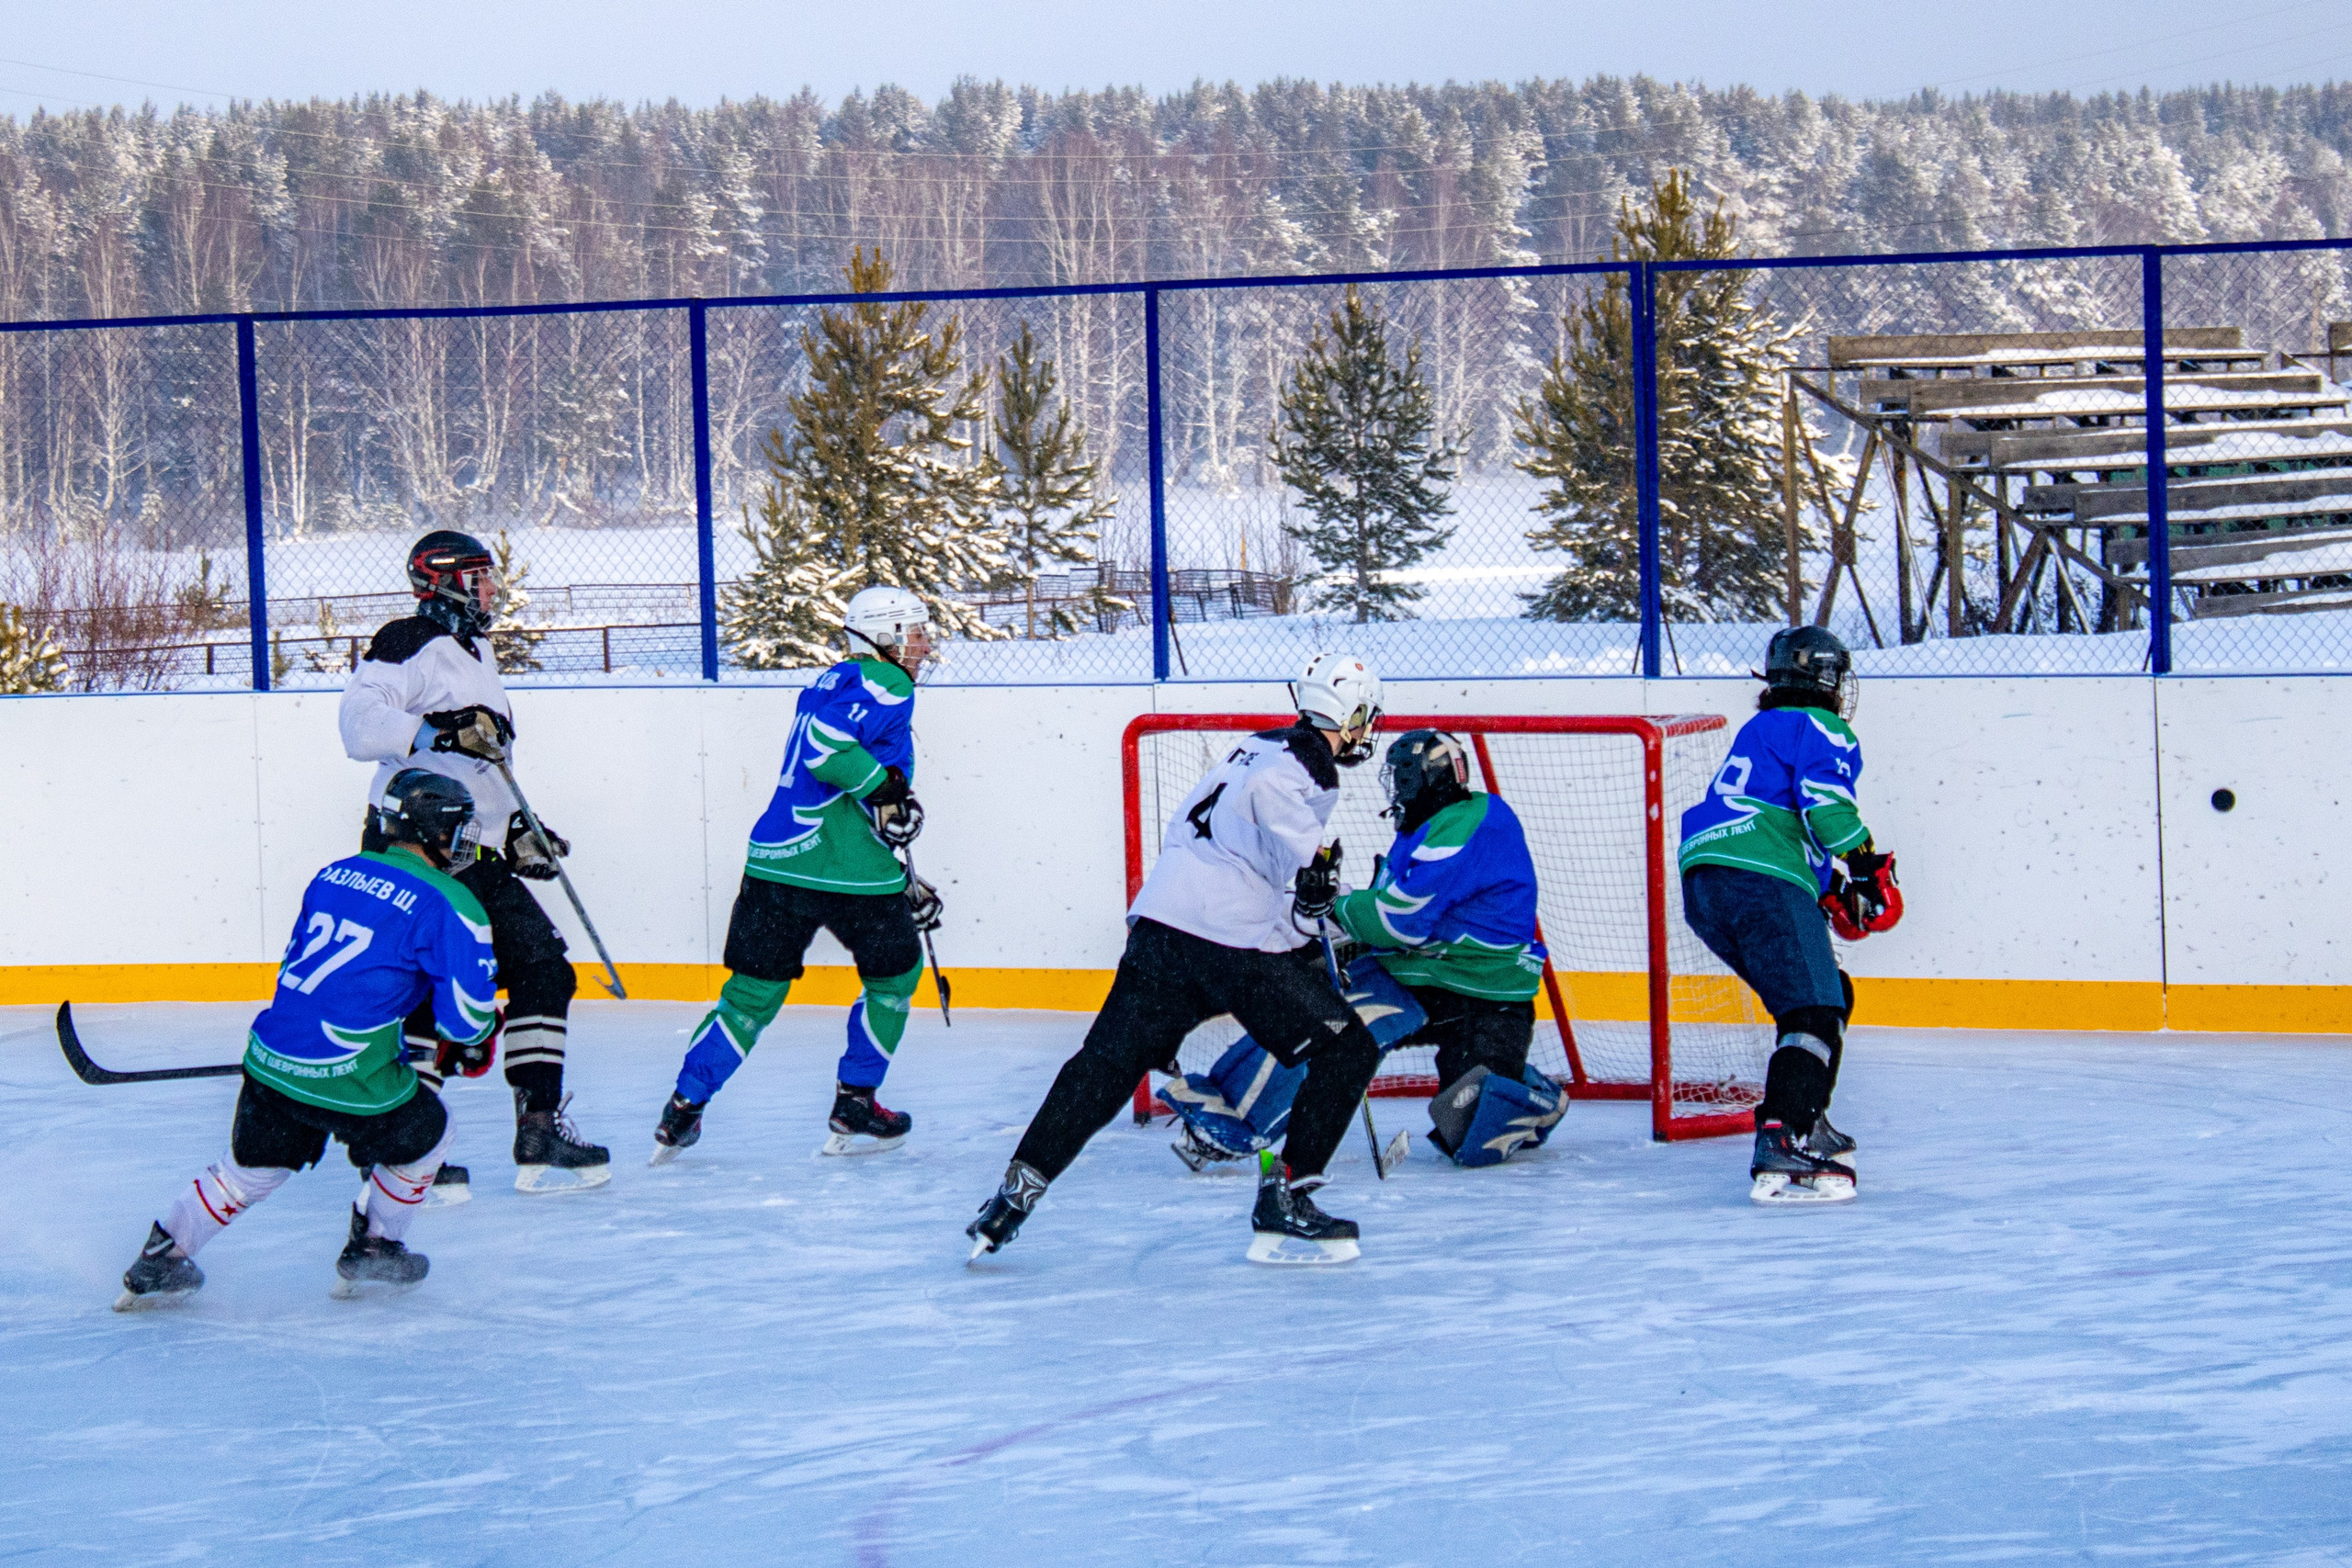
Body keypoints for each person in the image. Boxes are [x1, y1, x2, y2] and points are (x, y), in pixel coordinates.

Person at [967, 652, 1389, 1267]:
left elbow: (1240, 853)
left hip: (1161, 923)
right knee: (1347, 1047)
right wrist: (1316, 903)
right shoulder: (1314, 769)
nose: (1365, 730)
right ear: (1350, 716)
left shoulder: (1253, 746)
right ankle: (1288, 1200)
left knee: (1105, 1065)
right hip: (1225, 940)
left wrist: (1301, 918)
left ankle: (1012, 1197)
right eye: (1364, 718)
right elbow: (1290, 872)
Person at [113, 771, 499, 1309]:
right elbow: (466, 1021)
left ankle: (161, 1256)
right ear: (435, 829)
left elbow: (328, 979)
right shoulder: (450, 901)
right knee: (432, 1132)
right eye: (458, 826)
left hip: (271, 1056)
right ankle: (376, 1245)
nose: (464, 839)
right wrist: (478, 1037)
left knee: (250, 1170)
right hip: (354, 1076)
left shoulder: (334, 874)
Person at [339, 530, 609, 1195]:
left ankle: (538, 1128)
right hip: (409, 847)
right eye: (480, 576)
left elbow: (480, 764)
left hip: (468, 847)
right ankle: (407, 1147)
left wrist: (517, 829)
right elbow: (357, 725)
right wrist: (434, 730)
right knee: (426, 990)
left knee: (543, 969)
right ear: (444, 580)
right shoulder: (407, 638)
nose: (491, 588)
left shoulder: (478, 650)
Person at [1167, 729, 1566, 1171]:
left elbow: (1401, 921)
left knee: (1468, 1136)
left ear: (1426, 779)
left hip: (1485, 996)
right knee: (1325, 1025)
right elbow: (1393, 910)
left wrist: (1335, 908)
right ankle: (1233, 1111)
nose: (1396, 789)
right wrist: (1333, 927)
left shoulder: (1471, 825)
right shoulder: (1427, 824)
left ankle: (1535, 1097)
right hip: (1417, 978)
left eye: (1403, 778)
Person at [651, 585, 942, 1164]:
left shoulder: (831, 680)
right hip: (849, 874)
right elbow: (827, 750)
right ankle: (856, 1100)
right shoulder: (889, 682)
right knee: (896, 977)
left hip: (775, 861)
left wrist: (896, 849)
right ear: (883, 635)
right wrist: (883, 791)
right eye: (915, 631)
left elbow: (835, 769)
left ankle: (683, 1108)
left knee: (749, 999)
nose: (924, 645)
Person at [1678, 626, 1900, 1206]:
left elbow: (1777, 813)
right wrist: (1865, 862)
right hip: (1760, 878)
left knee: (1827, 995)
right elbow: (1825, 804)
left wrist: (1827, 887)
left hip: (1707, 883)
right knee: (1814, 1008)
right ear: (1827, 678)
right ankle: (1782, 1132)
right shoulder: (1823, 725)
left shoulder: (1762, 727)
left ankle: (1808, 1116)